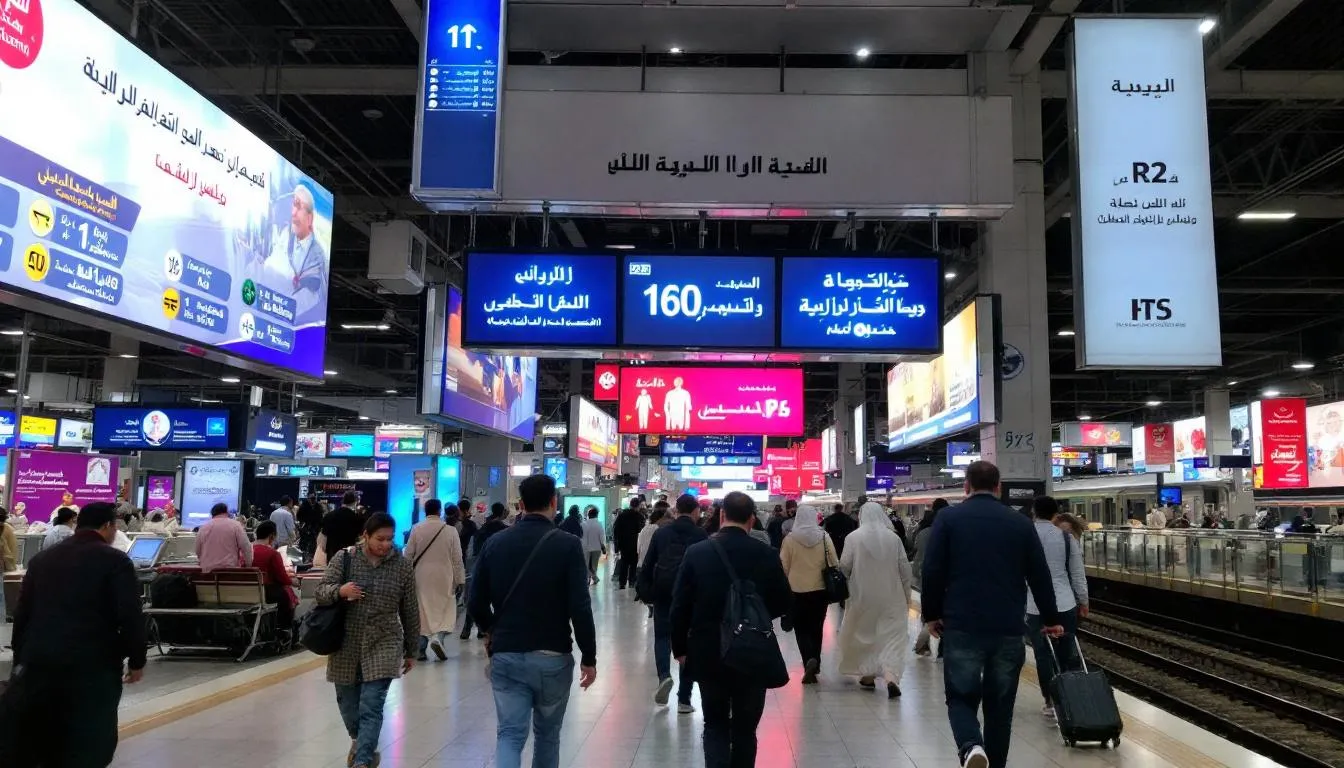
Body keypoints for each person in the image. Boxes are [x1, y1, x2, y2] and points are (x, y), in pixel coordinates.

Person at [921, 461, 1062, 768]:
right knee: (1000, 707)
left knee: (960, 697)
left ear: (966, 487)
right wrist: (1051, 619)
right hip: (1008, 627)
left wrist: (931, 614)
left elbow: (932, 571)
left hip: (962, 624)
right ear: (998, 488)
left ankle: (972, 746)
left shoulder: (948, 519)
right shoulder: (1020, 523)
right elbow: (1040, 575)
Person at [468, 474, 597, 768]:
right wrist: (589, 655)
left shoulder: (496, 542)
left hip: (507, 653)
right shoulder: (567, 545)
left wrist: (490, 629)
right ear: (554, 502)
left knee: (510, 735)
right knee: (548, 736)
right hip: (553, 655)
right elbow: (580, 606)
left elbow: (475, 600)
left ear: (521, 504)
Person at [9, 502, 146, 767]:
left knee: (47, 735)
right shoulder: (115, 560)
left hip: (41, 661)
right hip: (93, 664)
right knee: (92, 737)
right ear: (108, 526)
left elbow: (23, 614)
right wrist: (137, 659)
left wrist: (21, 659)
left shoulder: (41, 560)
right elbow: (129, 613)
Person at [671, 491, 790, 768]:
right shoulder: (767, 554)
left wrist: (680, 648)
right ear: (751, 520)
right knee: (746, 730)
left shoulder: (697, 553)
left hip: (708, 651)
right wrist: (752, 616)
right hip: (752, 651)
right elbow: (783, 601)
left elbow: (680, 605)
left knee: (714, 725)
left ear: (721, 516)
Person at [314, 512, 418, 768]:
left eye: (390, 539)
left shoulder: (402, 566)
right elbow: (320, 592)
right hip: (346, 642)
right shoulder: (345, 558)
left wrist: (412, 649)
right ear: (366, 536)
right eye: (380, 539)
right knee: (348, 703)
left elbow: (410, 610)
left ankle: (362, 761)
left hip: (384, 640)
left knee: (371, 704)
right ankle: (359, 740)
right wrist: (340, 591)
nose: (386, 545)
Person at [835, 502, 913, 699]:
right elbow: (905, 570)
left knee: (865, 634)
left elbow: (844, 565)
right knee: (892, 638)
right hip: (891, 596)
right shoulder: (893, 538)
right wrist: (906, 596)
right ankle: (891, 677)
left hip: (862, 596)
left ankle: (868, 676)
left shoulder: (853, 538)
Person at [638, 493, 708, 713]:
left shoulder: (662, 533)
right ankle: (684, 699)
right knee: (687, 643)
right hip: (690, 595)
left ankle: (664, 677)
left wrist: (646, 591)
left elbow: (648, 563)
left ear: (676, 511)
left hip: (664, 591)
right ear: (696, 511)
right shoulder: (700, 534)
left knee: (662, 637)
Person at [1025, 496, 1089, 720]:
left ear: (1034, 512)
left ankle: (1050, 701)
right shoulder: (1066, 538)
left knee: (1043, 655)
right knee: (1067, 650)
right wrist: (1083, 601)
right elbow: (1078, 573)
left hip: (1034, 606)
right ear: (1056, 513)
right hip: (1064, 602)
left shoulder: (1026, 535)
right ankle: (1070, 698)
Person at [779, 503, 838, 685]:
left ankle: (808, 661)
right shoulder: (824, 537)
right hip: (820, 590)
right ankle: (816, 662)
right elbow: (834, 561)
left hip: (796, 591)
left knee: (801, 628)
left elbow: (784, 566)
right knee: (817, 627)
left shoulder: (789, 539)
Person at [404, 499, 467, 662]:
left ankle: (421, 648)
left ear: (426, 511)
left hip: (421, 575)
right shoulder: (451, 531)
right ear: (440, 511)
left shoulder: (417, 528)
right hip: (445, 575)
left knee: (422, 609)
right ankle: (438, 637)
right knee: (444, 608)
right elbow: (457, 558)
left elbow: (408, 554)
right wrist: (460, 579)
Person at [262, 183, 328, 320]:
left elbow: (308, 298)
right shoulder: (286, 236)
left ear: (309, 218)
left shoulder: (315, 254)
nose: (292, 212)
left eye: (298, 207)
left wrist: (277, 310)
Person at [463, 503, 511, 640]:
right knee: (497, 599)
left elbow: (474, 547)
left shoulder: (483, 526)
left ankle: (469, 628)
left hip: (480, 564)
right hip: (500, 568)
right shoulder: (505, 529)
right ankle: (490, 628)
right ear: (502, 513)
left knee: (478, 596)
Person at [911, 498, 949, 656]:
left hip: (924, 575)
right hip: (946, 578)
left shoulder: (923, 532)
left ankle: (923, 643)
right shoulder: (949, 531)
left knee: (928, 609)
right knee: (945, 611)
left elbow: (915, 549)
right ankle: (942, 647)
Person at [252, 520, 299, 631]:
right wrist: (294, 581)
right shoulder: (272, 553)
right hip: (266, 592)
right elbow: (282, 577)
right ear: (272, 536)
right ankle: (284, 629)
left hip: (248, 591)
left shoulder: (245, 550)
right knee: (287, 592)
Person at [194, 502, 254, 572]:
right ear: (226, 512)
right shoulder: (235, 525)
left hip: (208, 573)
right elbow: (246, 547)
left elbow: (197, 551)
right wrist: (248, 566)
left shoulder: (203, 528)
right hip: (229, 572)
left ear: (212, 514)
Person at [322, 491, 364, 561]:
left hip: (332, 553)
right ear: (355, 502)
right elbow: (360, 538)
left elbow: (323, 537)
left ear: (343, 501)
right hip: (349, 554)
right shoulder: (356, 518)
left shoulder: (329, 516)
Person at [581, 506, 607, 585]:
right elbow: (601, 537)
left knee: (587, 564)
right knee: (594, 565)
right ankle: (594, 577)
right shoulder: (599, 524)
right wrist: (603, 547)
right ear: (597, 515)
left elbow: (582, 536)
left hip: (586, 547)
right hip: (596, 547)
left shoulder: (584, 524)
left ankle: (589, 578)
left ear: (588, 515)